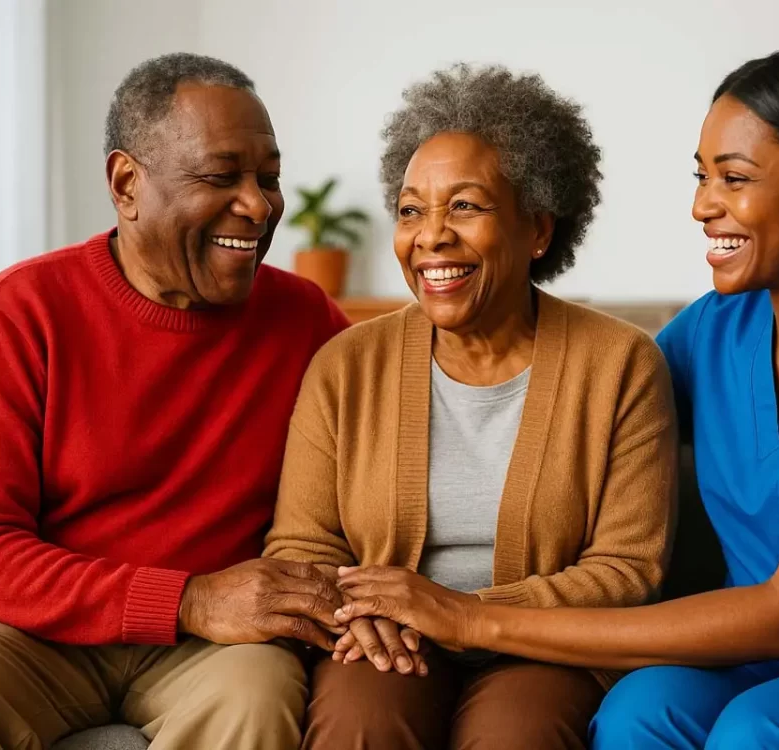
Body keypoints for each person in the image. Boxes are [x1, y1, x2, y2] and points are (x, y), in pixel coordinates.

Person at [333, 47, 779, 749]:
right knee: (638, 709)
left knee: (759, 732)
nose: (702, 206)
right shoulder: (718, 328)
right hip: (771, 658)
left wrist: (472, 618)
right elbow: (587, 408)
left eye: (734, 178)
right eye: (701, 176)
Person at [263, 63, 678, 749]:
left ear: (537, 229)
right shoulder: (346, 364)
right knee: (357, 723)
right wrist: (363, 610)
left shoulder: (620, 364)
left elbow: (627, 570)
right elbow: (303, 546)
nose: (430, 235)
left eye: (465, 206)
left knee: (517, 735)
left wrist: (463, 612)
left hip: (546, 644)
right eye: (411, 211)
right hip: (389, 636)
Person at [0, 53, 351, 750]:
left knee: (258, 697)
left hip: (216, 652)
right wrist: (188, 598)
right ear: (127, 184)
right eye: (221, 177)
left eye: (269, 178)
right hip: (40, 635)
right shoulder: (19, 313)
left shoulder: (308, 321)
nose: (259, 205)